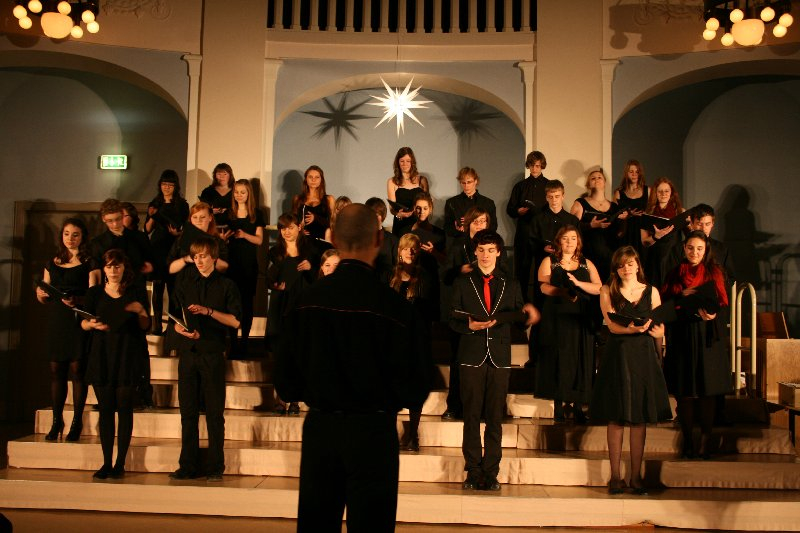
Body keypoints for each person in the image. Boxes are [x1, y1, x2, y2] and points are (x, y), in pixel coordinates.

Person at [275, 203, 433, 532]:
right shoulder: (397, 309)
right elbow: (418, 387)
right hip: (374, 431)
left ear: (333, 238)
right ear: (379, 239)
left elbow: (286, 384)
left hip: (323, 429)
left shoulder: (306, 302)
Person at [449, 230, 539, 491]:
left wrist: (527, 316)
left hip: (499, 356)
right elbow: (452, 318)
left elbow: (518, 317)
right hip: (471, 354)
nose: (485, 255)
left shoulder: (510, 283)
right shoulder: (463, 282)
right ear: (475, 252)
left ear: (499, 252)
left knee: (495, 417)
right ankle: (473, 470)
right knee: (471, 416)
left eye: (490, 250)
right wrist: (469, 325)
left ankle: (491, 472)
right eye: (481, 250)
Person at [590, 246, 672, 495]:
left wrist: (660, 335)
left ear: (637, 265)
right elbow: (612, 326)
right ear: (616, 268)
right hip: (619, 354)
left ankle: (636, 476)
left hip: (644, 356)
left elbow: (659, 325)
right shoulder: (608, 290)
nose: (626, 268)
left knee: (639, 417)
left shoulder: (651, 291)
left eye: (630, 263)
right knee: (616, 416)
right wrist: (632, 330)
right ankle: (616, 477)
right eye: (621, 265)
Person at [170, 236, 242, 482]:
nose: (199, 261)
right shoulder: (185, 282)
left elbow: (235, 321)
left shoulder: (226, 285)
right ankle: (187, 465)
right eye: (195, 257)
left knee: (214, 413)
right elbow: (174, 318)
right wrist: (181, 330)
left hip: (212, 353)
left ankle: (215, 465)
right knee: (188, 412)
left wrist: (208, 311)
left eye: (203, 256)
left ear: (214, 257)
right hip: (189, 354)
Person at [81, 249, 150, 479]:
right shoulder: (94, 293)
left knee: (125, 409)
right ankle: (106, 462)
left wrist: (141, 311)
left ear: (124, 268)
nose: (113, 271)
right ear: (104, 269)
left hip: (127, 355)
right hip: (102, 355)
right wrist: (91, 325)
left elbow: (145, 326)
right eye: (109, 266)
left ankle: (120, 463)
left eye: (117, 266)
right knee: (106, 410)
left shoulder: (135, 291)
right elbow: (82, 323)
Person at [662, 230, 730, 460]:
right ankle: (688, 441)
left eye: (699, 248)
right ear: (684, 248)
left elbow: (722, 301)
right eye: (690, 248)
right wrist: (682, 295)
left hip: (707, 334)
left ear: (706, 250)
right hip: (683, 334)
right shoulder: (675, 273)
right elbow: (665, 301)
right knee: (685, 391)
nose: (694, 252)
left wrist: (714, 314)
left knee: (706, 389)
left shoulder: (714, 271)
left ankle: (705, 442)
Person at [34, 218, 99, 442]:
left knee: (77, 369)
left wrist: (76, 300)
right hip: (57, 320)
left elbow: (94, 295)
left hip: (77, 318)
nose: (70, 238)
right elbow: (44, 295)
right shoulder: (52, 262)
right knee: (56, 370)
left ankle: (76, 421)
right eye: (66, 234)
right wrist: (40, 295)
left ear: (83, 237)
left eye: (75, 234)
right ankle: (56, 421)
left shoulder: (90, 262)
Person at [534, 226, 602, 423]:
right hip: (558, 315)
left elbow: (599, 287)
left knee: (581, 357)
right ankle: (559, 405)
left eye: (573, 238)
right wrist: (562, 292)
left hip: (581, 316)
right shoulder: (549, 261)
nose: (570, 242)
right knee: (559, 358)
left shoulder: (587, 263)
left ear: (578, 241)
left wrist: (579, 285)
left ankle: (579, 406)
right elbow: (543, 286)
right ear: (559, 241)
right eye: (565, 238)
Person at [266, 213, 324, 414]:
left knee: (299, 352)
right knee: (280, 354)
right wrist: (275, 285)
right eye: (283, 228)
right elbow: (268, 277)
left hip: (302, 304)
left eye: (290, 227)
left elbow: (320, 277)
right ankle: (280, 399)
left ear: (299, 227)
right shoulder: (275, 252)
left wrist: (311, 267)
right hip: (281, 304)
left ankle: (295, 400)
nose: (287, 232)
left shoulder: (311, 249)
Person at [390, 233, 438, 451]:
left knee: (414, 386)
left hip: (416, 339)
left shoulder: (425, 276)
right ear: (399, 251)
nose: (409, 252)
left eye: (414, 248)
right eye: (406, 248)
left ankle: (413, 434)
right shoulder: (390, 275)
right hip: (393, 339)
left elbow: (429, 309)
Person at [145, 170, 190, 335]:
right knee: (157, 288)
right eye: (164, 184)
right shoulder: (155, 203)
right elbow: (147, 229)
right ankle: (156, 325)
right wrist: (152, 216)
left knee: (173, 289)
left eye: (170, 185)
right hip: (157, 247)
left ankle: (172, 327)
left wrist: (177, 234)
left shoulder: (182, 204)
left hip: (174, 248)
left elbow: (184, 228)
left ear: (176, 186)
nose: (167, 188)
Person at [223, 179, 264, 358]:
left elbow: (259, 240)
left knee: (247, 305)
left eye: (242, 192)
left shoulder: (256, 214)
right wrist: (224, 238)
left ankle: (244, 343)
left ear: (249, 194)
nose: (239, 195)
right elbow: (220, 234)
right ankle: (233, 343)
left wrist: (244, 235)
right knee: (232, 304)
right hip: (232, 264)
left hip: (248, 265)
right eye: (236, 192)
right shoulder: (229, 213)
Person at [506, 150, 550, 302]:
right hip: (524, 233)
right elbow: (510, 209)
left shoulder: (549, 186)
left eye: (537, 166)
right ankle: (521, 303)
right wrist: (518, 211)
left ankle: (540, 306)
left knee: (542, 271)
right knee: (521, 271)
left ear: (542, 166)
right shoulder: (520, 186)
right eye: (532, 166)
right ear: (528, 166)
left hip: (542, 234)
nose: (534, 169)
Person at [570, 167, 627, 283]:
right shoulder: (580, 203)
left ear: (605, 182)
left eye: (599, 177)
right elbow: (571, 227)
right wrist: (591, 225)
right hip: (588, 255)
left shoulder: (615, 207)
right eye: (593, 178)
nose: (596, 179)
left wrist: (623, 221)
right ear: (588, 184)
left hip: (609, 256)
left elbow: (620, 234)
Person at [89, 198, 154, 282]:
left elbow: (151, 262)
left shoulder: (140, 237)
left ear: (122, 215)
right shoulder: (97, 243)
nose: (115, 224)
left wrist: (150, 267)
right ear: (103, 219)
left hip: (136, 286)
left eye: (118, 219)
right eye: (110, 221)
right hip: (109, 287)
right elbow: (96, 271)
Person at [640, 177, 686, 289]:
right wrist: (656, 237)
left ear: (671, 193)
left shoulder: (680, 211)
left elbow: (689, 236)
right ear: (655, 193)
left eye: (666, 191)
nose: (663, 194)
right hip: (654, 260)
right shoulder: (647, 213)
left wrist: (689, 225)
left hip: (674, 259)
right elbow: (644, 242)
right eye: (660, 191)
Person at [167, 202, 229, 275]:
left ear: (210, 218)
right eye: (195, 217)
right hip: (186, 280)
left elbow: (224, 268)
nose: (198, 220)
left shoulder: (218, 242)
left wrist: (209, 256)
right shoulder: (181, 240)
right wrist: (186, 259)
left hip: (211, 281)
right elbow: (170, 269)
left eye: (202, 217)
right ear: (190, 219)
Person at [443, 167, 497, 246]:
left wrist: (474, 224)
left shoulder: (488, 203)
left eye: (469, 182)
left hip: (482, 242)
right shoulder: (452, 202)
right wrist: (459, 230)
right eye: (463, 183)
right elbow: (447, 227)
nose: (466, 186)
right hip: (460, 243)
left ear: (476, 181)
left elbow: (493, 226)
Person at [387, 147, 430, 237]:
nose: (405, 164)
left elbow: (428, 204)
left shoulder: (422, 180)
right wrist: (398, 214)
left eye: (408, 161)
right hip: (401, 224)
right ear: (398, 163)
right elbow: (392, 208)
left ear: (412, 162)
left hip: (419, 223)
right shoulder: (392, 182)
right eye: (402, 161)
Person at [613, 160, 649, 253]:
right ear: (626, 173)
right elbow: (614, 215)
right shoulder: (619, 193)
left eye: (637, 171)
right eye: (631, 172)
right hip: (625, 231)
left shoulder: (648, 190)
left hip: (642, 231)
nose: (634, 174)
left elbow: (652, 211)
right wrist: (629, 214)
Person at [293, 165, 336, 241]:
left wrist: (316, 218)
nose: (313, 180)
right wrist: (299, 230)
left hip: (323, 241)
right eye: (310, 177)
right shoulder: (298, 199)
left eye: (317, 177)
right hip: (304, 241)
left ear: (321, 180)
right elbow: (293, 221)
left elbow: (333, 223)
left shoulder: (329, 199)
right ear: (306, 179)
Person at [365, 197, 399, 284]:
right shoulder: (361, 239)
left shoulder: (393, 240)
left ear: (383, 216)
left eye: (376, 215)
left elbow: (397, 268)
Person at [200, 162, 234, 229]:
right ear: (215, 175)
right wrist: (210, 211)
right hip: (212, 227)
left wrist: (229, 211)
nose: (222, 177)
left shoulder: (236, 191)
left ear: (230, 175)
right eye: (219, 174)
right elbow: (201, 210)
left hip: (232, 227)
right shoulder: (207, 191)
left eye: (225, 174)